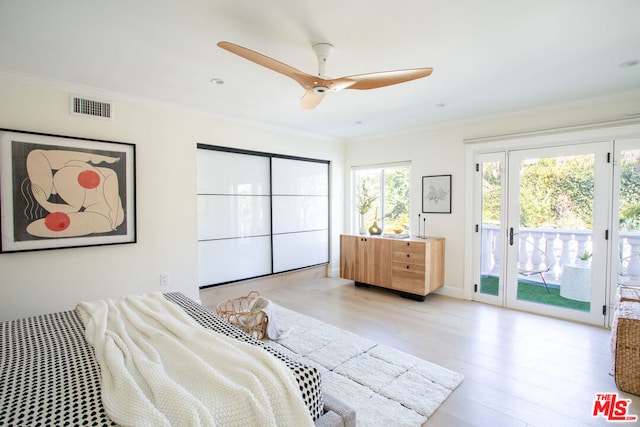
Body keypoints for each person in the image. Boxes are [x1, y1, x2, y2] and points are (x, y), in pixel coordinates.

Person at [24, 149, 124, 238]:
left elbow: (37, 155)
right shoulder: (89, 212)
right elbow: (72, 210)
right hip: (103, 217)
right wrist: (43, 202)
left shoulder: (106, 174)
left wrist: (44, 202)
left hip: (108, 218)